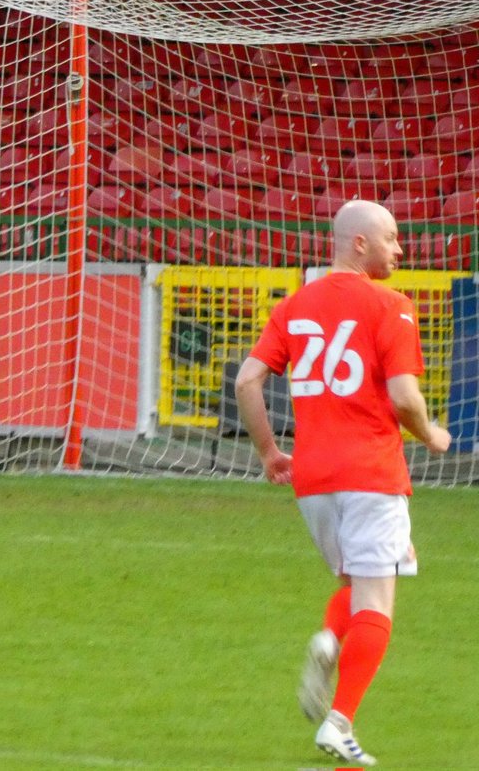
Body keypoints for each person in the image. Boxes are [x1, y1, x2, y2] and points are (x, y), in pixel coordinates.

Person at [235, 200, 451, 767]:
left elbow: (247, 380)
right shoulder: (391, 306)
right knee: (379, 602)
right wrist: (431, 435)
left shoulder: (295, 305)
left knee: (360, 582)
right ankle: (340, 722)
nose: (399, 250)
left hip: (313, 480)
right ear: (359, 243)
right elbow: (405, 397)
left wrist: (268, 452)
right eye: (391, 239)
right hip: (372, 473)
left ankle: (331, 639)